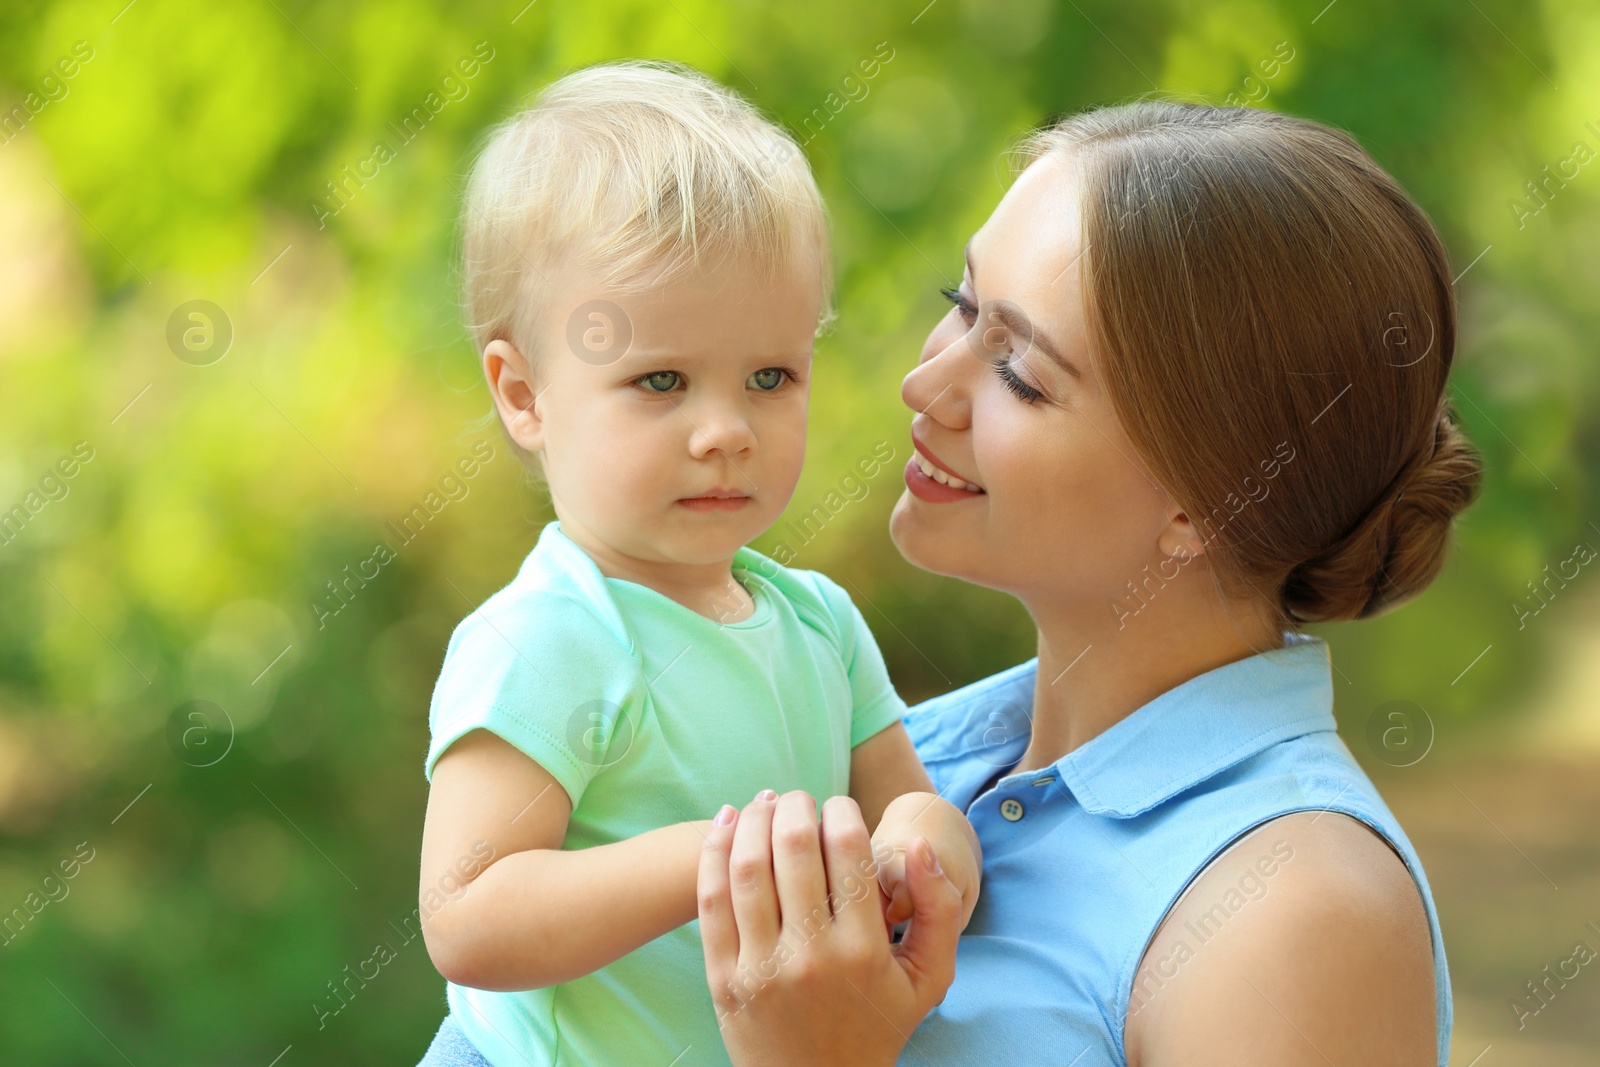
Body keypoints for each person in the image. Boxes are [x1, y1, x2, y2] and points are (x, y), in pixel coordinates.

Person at [697, 100, 1483, 1067]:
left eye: (1020, 372)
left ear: (1208, 503)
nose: (929, 385)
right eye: (960, 302)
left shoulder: (1297, 907)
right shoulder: (908, 762)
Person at [413, 61, 981, 1067]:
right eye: (660, 379)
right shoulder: (548, 636)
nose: (725, 430)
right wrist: (709, 862)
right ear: (524, 392)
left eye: (770, 375)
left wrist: (924, 841)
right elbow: (469, 912)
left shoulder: (816, 621)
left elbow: (902, 795)